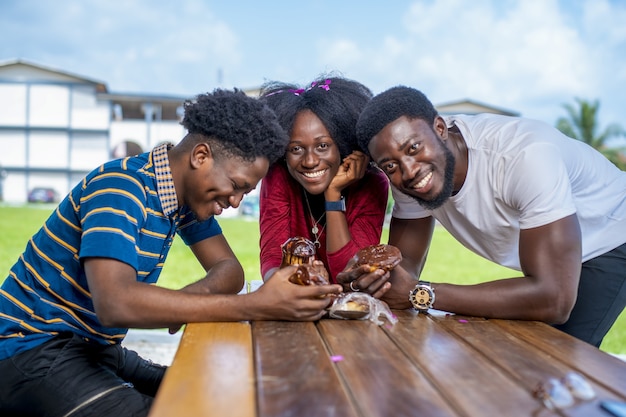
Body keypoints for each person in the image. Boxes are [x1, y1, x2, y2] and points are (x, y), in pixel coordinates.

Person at [0, 89, 342, 417]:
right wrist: (256, 305)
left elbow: (230, 271)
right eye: (237, 186)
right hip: (30, 349)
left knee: (214, 394)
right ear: (201, 156)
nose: (237, 201)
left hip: (92, 348)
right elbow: (116, 304)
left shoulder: (182, 199)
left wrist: (180, 302)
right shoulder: (120, 188)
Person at [354, 85, 626, 347]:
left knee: (556, 358)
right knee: (510, 354)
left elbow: (553, 299)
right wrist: (377, 281)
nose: (409, 170)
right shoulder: (407, 174)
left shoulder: (524, 156)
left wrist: (420, 293)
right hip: (553, 262)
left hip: (609, 232)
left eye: (414, 148)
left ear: (440, 128)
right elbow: (405, 268)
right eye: (390, 165)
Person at [257, 76, 390, 289]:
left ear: (343, 144)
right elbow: (273, 263)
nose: (309, 161)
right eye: (296, 149)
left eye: (322, 146)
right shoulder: (278, 176)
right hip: (296, 307)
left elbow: (347, 275)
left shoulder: (372, 185)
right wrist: (298, 280)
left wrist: (333, 194)